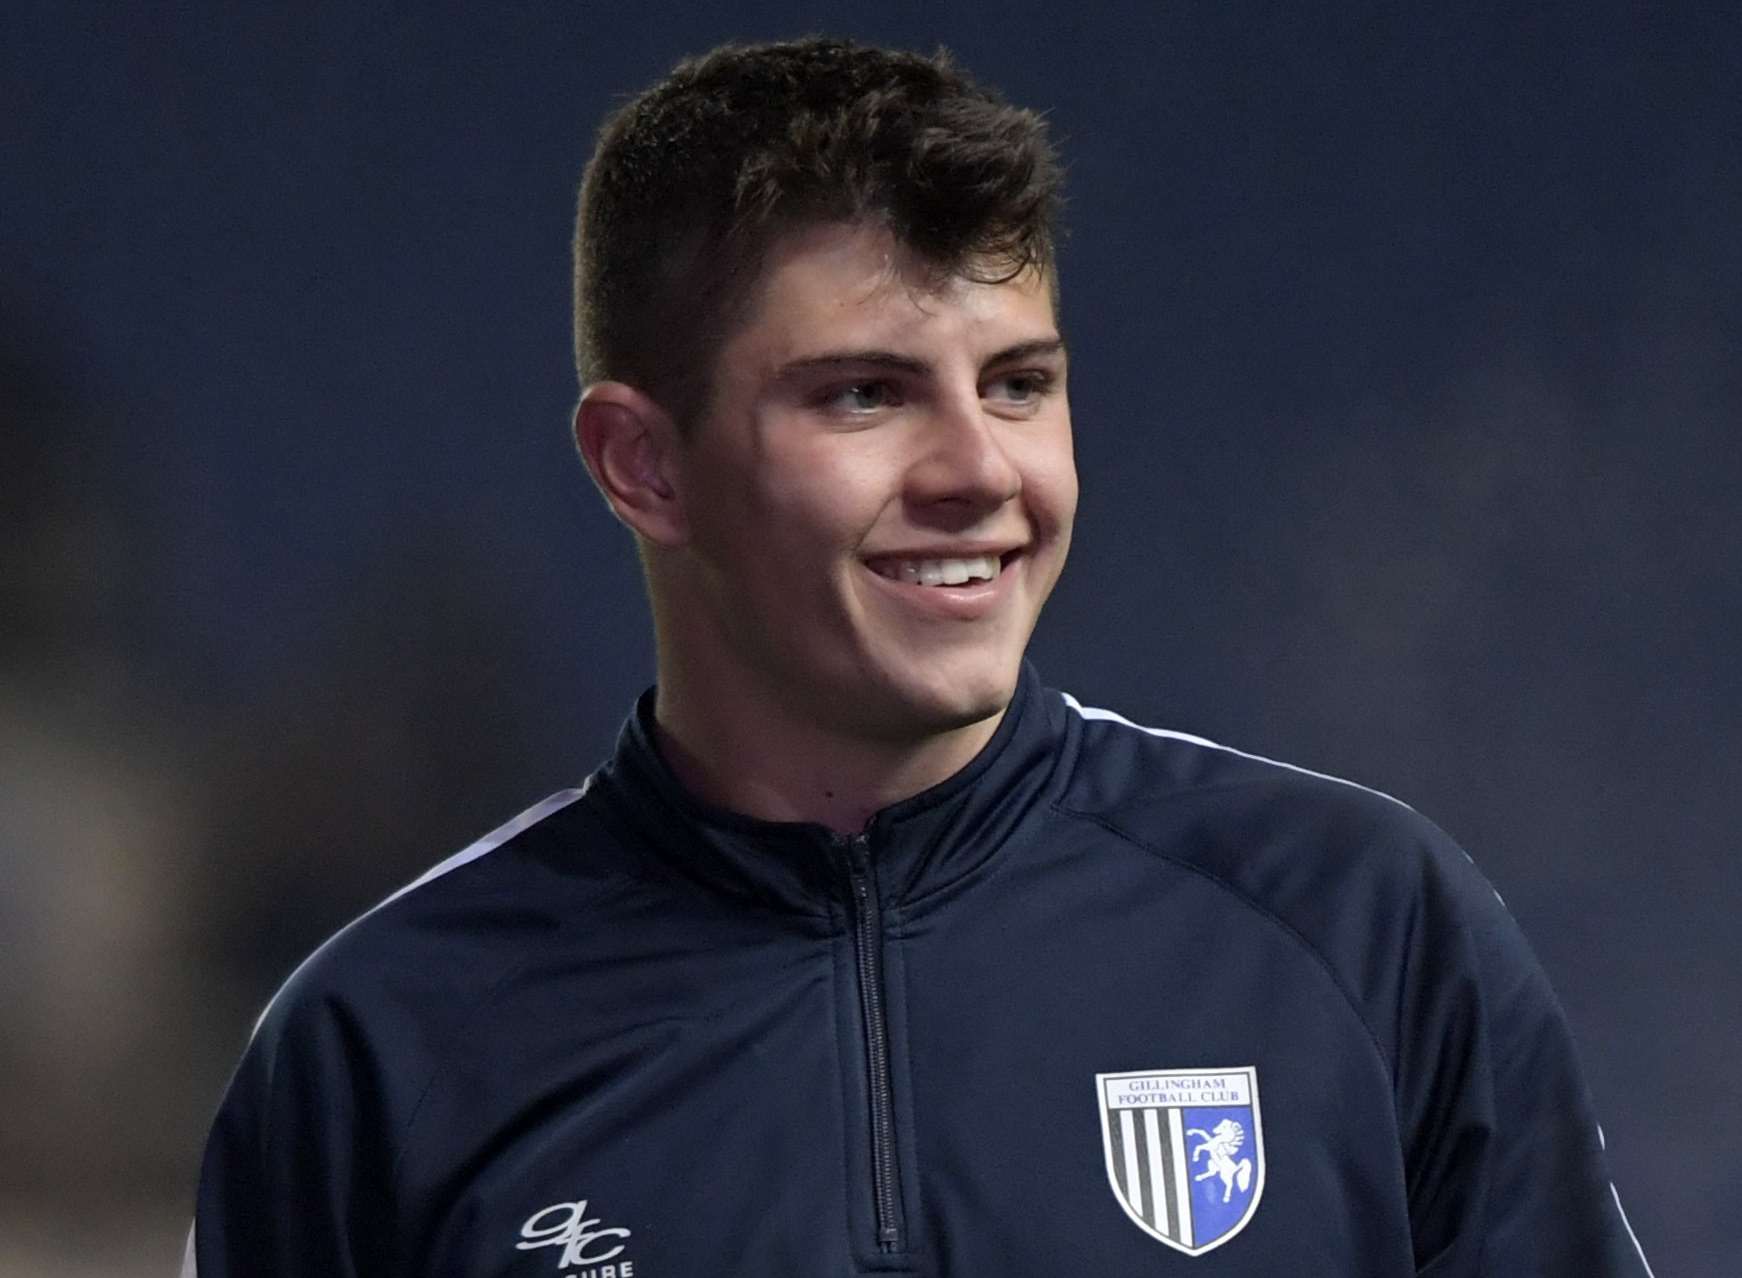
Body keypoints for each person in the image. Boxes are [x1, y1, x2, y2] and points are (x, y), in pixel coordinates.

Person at [187, 36, 1654, 1276]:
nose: (978, 470)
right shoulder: (380, 1047)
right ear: (642, 464)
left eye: (1018, 385)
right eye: (864, 395)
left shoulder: (1363, 929)